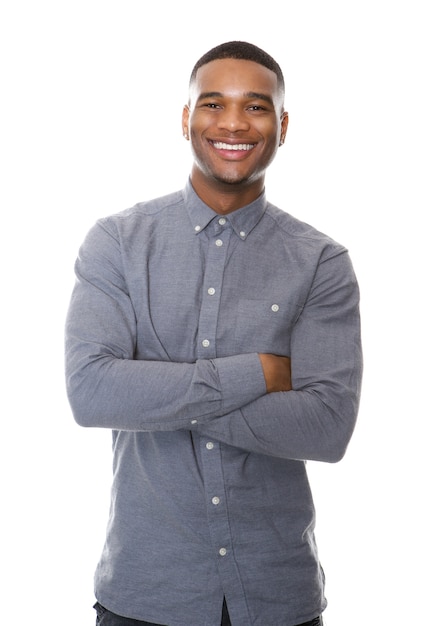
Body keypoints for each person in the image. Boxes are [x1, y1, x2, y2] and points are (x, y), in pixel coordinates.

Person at [65, 41, 363, 626]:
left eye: (255, 107)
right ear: (186, 120)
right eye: (212, 104)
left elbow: (327, 428)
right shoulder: (118, 243)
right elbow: (92, 394)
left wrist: (154, 395)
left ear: (282, 125)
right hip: (145, 594)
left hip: (277, 596)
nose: (232, 123)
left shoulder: (321, 262)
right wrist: (258, 373)